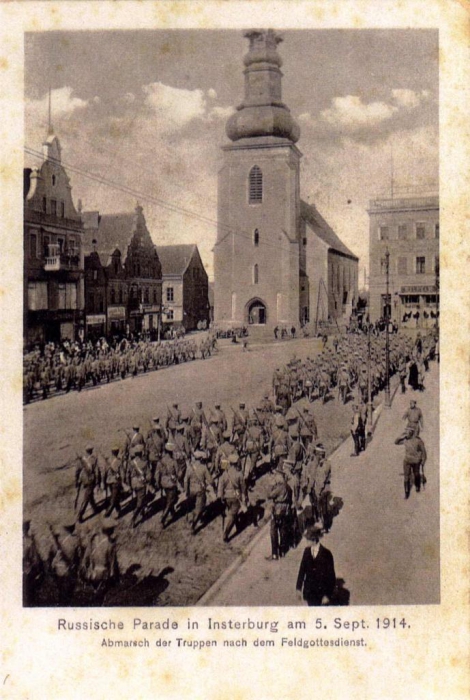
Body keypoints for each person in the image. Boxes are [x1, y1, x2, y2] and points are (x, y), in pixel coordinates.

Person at [296, 524, 336, 606]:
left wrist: (327, 595)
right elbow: (302, 570)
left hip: (321, 594)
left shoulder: (326, 554)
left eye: (308, 540)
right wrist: (298, 588)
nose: (306, 542)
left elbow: (331, 576)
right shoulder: (306, 551)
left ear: (314, 540)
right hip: (309, 592)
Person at [217, 452, 248, 542]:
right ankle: (226, 534)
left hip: (226, 497)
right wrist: (244, 499)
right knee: (233, 516)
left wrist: (221, 497)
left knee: (230, 512)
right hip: (235, 498)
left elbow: (221, 487)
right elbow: (243, 488)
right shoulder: (239, 474)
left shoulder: (224, 474)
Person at [184, 450, 217, 534]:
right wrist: (214, 486)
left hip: (191, 490)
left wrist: (186, 491)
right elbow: (210, 480)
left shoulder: (189, 468)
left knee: (192, 506)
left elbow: (185, 481)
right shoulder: (203, 468)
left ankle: (190, 518)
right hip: (199, 491)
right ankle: (193, 525)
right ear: (201, 459)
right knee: (200, 508)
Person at [266, 464, 292, 561]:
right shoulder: (288, 487)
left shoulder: (280, 487)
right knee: (283, 530)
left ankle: (274, 554)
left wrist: (271, 485)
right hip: (286, 510)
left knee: (273, 531)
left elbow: (269, 495)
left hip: (277, 509)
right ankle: (282, 551)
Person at [394, 427, 427, 499]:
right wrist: (400, 436)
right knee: (406, 476)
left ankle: (417, 486)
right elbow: (396, 442)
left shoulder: (418, 441)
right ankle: (406, 492)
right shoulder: (405, 440)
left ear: (411, 433)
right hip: (407, 461)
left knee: (416, 474)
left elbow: (423, 451)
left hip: (416, 461)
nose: (406, 434)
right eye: (406, 432)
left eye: (407, 432)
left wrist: (423, 461)